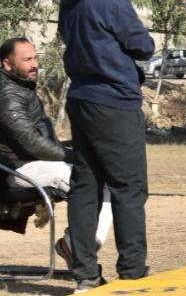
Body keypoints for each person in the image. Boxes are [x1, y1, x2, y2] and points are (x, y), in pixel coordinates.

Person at [60, 0, 155, 289]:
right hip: (115, 101)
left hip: (81, 97)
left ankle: (85, 273)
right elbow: (142, 46)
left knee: (86, 186)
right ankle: (132, 271)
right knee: (129, 188)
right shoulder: (109, 1)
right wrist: (124, 4)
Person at [0, 38, 114, 273]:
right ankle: (77, 250)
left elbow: (38, 138)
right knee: (89, 180)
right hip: (20, 169)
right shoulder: (8, 95)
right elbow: (30, 143)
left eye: (35, 57)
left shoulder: (21, 86)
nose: (35, 64)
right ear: (7, 64)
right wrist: (72, 156)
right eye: (27, 59)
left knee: (106, 181)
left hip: (35, 163)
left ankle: (74, 246)